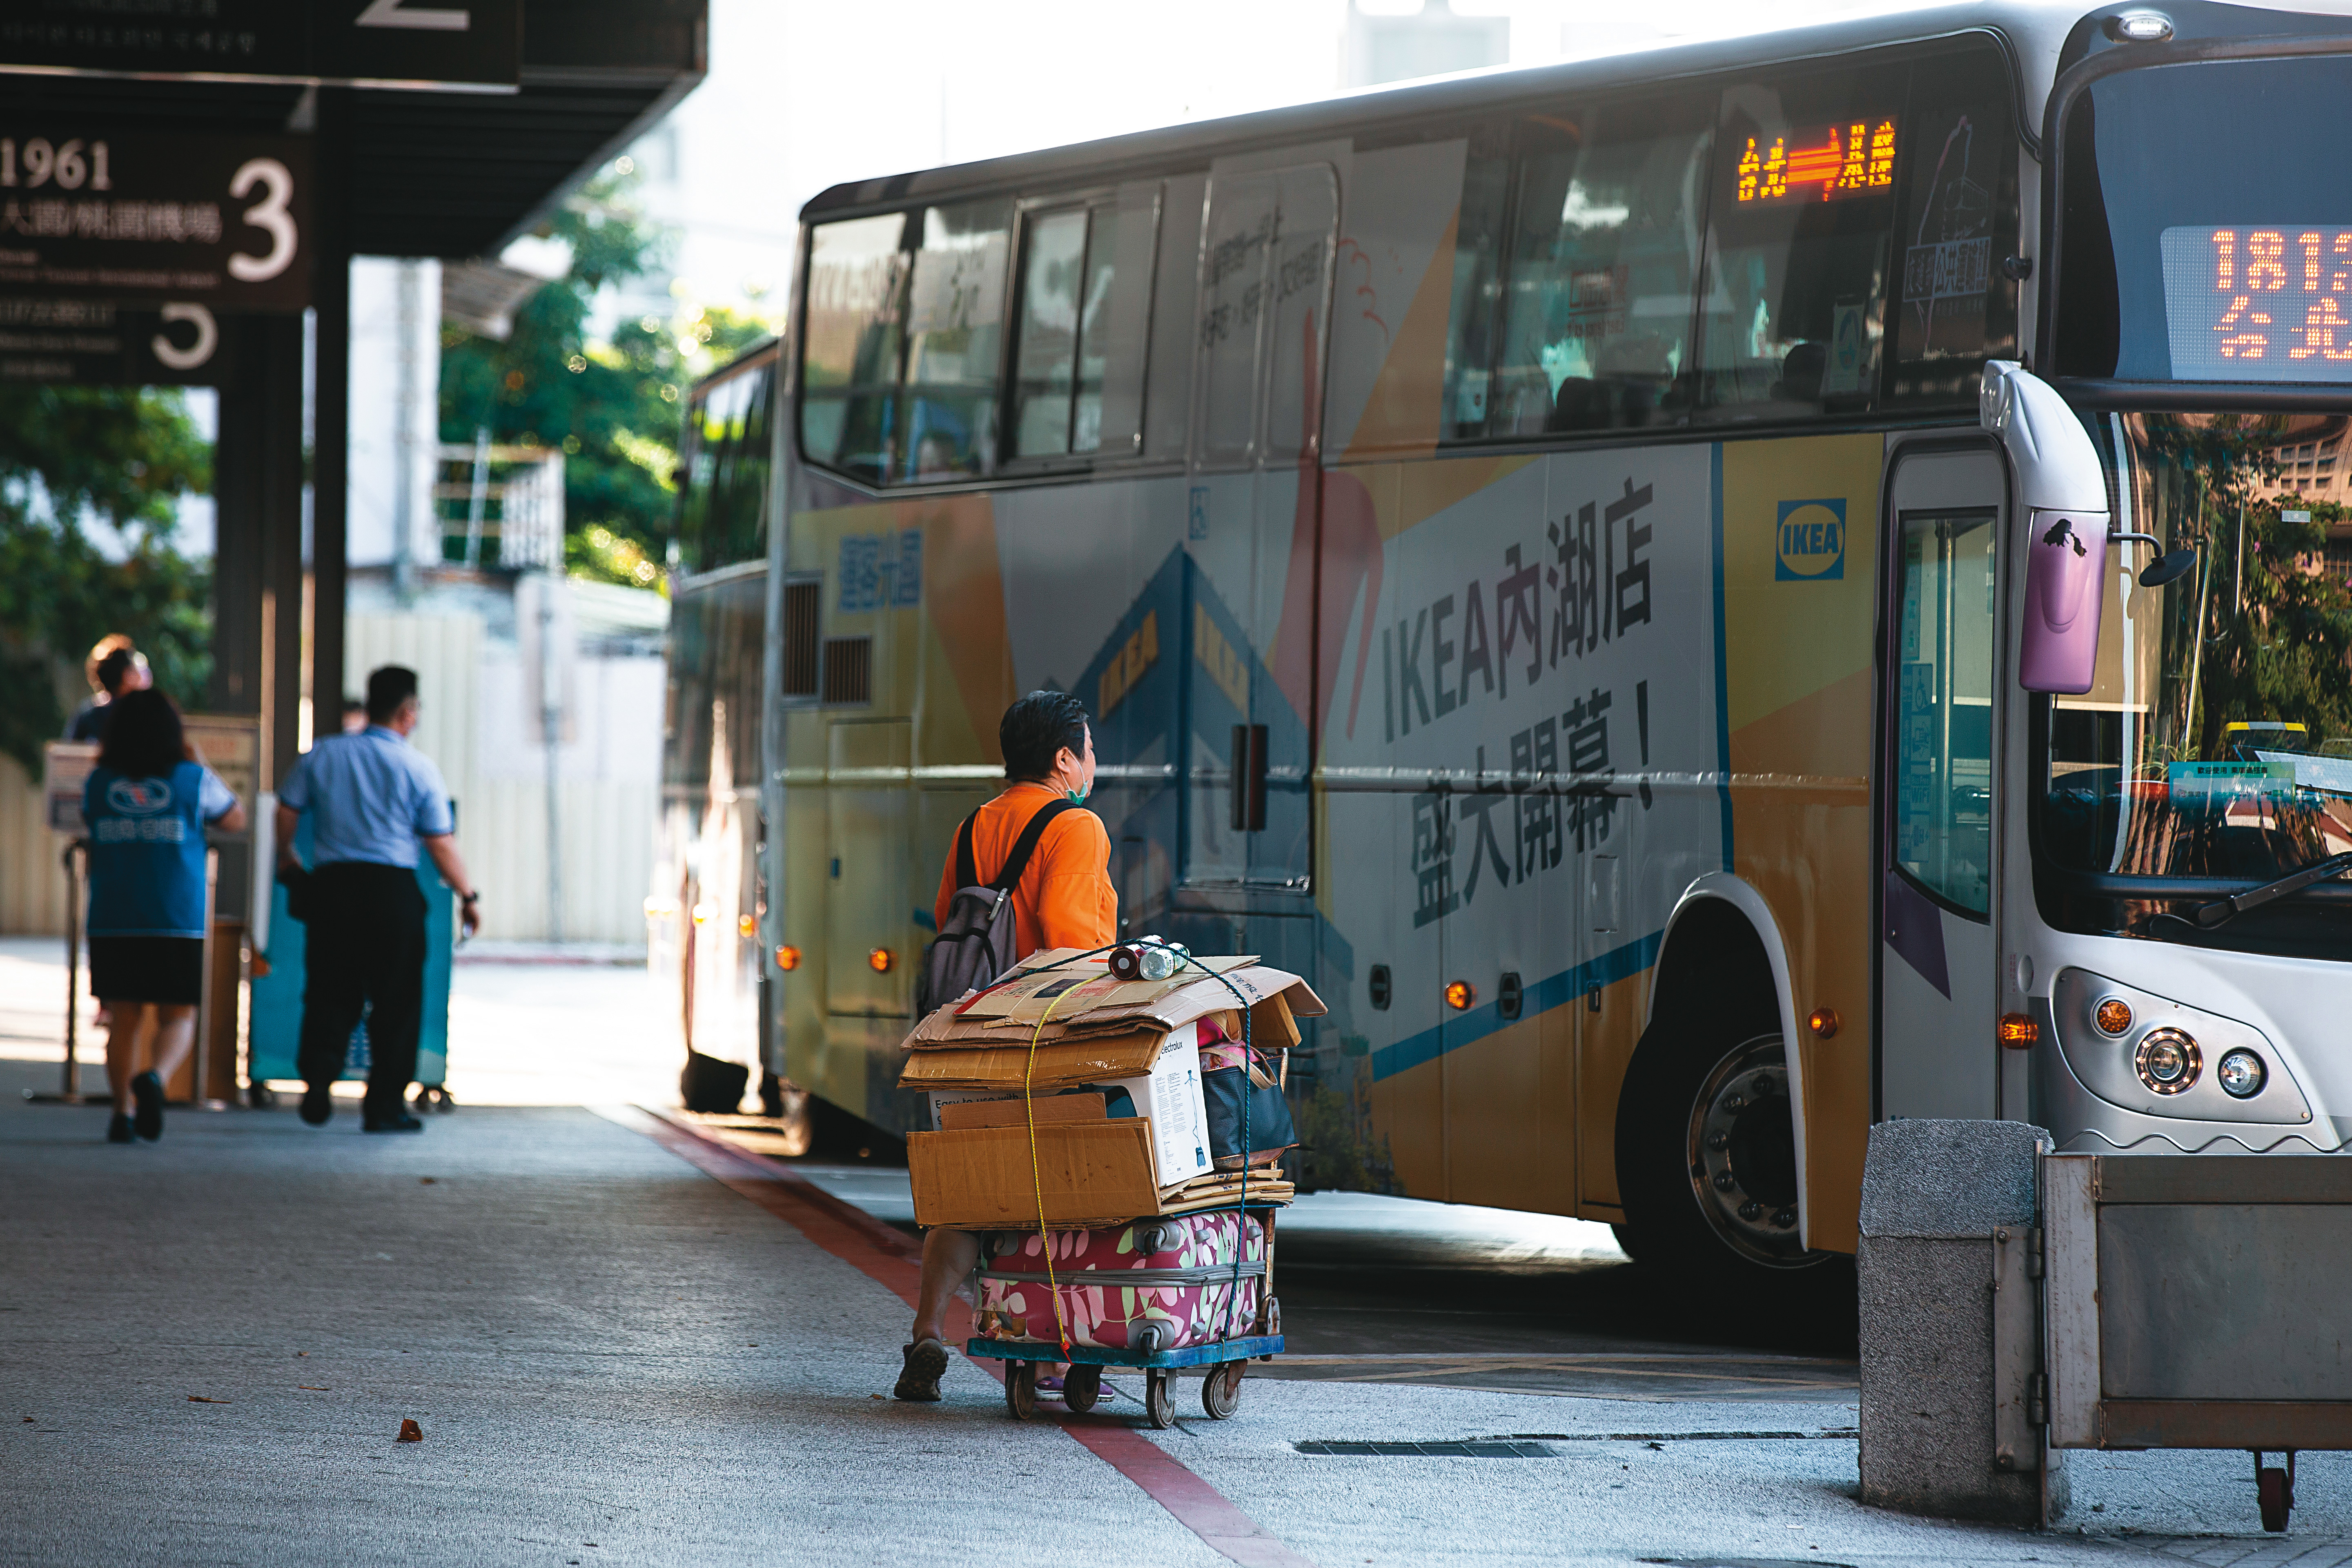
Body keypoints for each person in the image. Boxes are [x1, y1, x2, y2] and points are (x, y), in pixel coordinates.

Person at [895, 689, 1113, 1402]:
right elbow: (1070, 938)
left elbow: (947, 915)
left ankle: (927, 1329)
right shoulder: (1075, 825)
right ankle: (1049, 1359)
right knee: (1053, 1201)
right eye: (1088, 749)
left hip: (964, 1034)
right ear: (1063, 758)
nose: (1092, 763)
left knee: (966, 1197)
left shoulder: (975, 824)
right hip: (1037, 1041)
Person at [274, 666, 481, 1134]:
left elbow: (287, 809)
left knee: (330, 990)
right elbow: (440, 843)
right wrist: (468, 896)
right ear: (407, 713)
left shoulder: (322, 755)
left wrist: (287, 857)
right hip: (392, 895)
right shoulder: (417, 767)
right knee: (397, 1000)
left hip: (333, 890)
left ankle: (320, 1077)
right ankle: (384, 1106)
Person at [80, 688, 246, 1143]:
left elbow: (88, 822)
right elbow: (236, 819)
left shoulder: (98, 782)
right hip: (176, 917)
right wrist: (201, 763)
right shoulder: (193, 779)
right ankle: (155, 1078)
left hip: (113, 916)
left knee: (124, 1017)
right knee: (179, 1016)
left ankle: (120, 1114)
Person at [65, 635, 152, 743]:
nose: (143, 674)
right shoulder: (145, 714)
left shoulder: (86, 715)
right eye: (137, 668)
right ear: (127, 676)